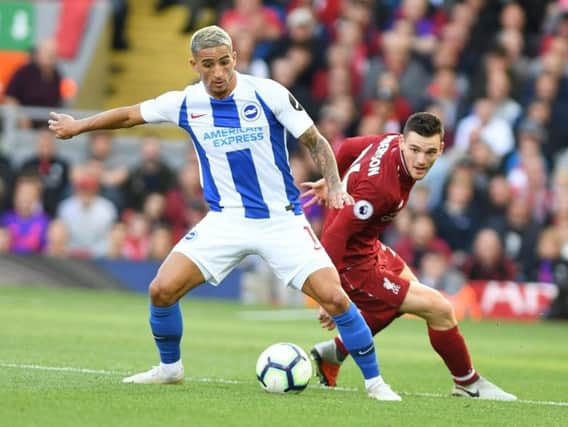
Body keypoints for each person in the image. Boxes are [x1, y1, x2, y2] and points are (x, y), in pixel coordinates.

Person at [48, 25, 400, 401]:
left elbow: (315, 140)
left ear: (235, 57)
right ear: (194, 64)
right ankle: (170, 368)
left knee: (335, 299)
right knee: (162, 290)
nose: (218, 72)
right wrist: (78, 126)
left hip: (280, 220)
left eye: (225, 62)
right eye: (208, 64)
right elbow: (130, 115)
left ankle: (375, 384)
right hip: (226, 220)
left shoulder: (267, 92)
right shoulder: (184, 102)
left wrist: (334, 182)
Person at [302, 112, 517, 400]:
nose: (420, 160)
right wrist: (329, 294)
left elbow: (348, 147)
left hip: (367, 244)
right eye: (414, 150)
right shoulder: (380, 190)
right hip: (351, 260)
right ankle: (467, 382)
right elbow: (335, 236)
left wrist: (332, 181)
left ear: (441, 149)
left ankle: (336, 351)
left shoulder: (390, 142)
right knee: (439, 309)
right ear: (403, 142)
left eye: (429, 152)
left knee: (404, 298)